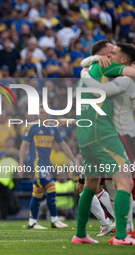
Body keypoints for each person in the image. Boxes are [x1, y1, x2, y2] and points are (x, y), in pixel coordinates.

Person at [72, 41, 135, 245]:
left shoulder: (91, 68)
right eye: (112, 50)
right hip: (103, 132)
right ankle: (121, 237)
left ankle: (80, 234)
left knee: (90, 184)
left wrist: (89, 61)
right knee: (125, 182)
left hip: (86, 133)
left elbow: (85, 64)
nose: (114, 51)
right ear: (105, 54)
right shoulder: (109, 65)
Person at [19, 105, 79, 230]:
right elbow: (23, 146)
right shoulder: (31, 127)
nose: (43, 114)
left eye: (45, 112)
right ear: (37, 114)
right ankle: (54, 220)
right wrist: (21, 165)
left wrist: (75, 161)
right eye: (41, 112)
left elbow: (64, 146)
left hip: (46, 164)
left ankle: (32, 222)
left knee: (37, 192)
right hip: (36, 163)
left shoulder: (53, 129)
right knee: (51, 185)